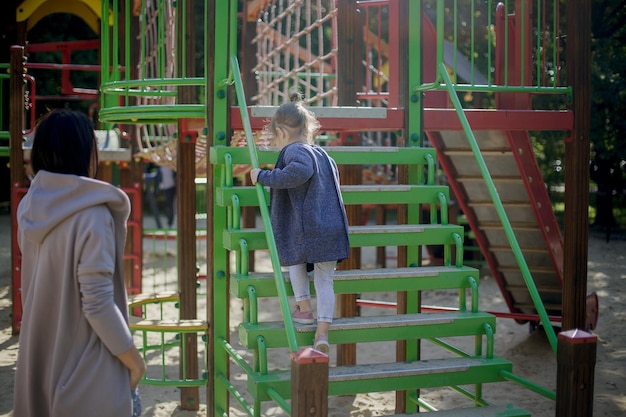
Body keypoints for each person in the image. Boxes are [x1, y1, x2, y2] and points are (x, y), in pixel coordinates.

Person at [13, 109, 146, 417]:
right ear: (86, 153)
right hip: (88, 371)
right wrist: (135, 363)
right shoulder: (93, 215)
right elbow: (97, 304)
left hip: (42, 364)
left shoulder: (30, 206)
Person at [250, 94, 350, 353]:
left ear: (281, 131)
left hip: (308, 229)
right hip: (330, 227)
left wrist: (263, 175)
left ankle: (304, 309)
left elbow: (298, 172)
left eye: (275, 137)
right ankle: (322, 334)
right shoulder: (323, 154)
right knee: (325, 280)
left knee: (294, 259)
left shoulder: (295, 151)